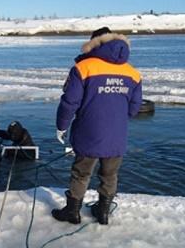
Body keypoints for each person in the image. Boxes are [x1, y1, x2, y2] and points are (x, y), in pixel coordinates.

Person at [52, 27, 143, 225]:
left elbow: (70, 102)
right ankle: (103, 212)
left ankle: (72, 212)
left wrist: (62, 126)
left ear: (95, 43)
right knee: (110, 174)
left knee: (81, 172)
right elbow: (135, 107)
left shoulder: (84, 67)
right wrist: (116, 120)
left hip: (88, 131)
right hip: (117, 135)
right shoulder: (133, 73)